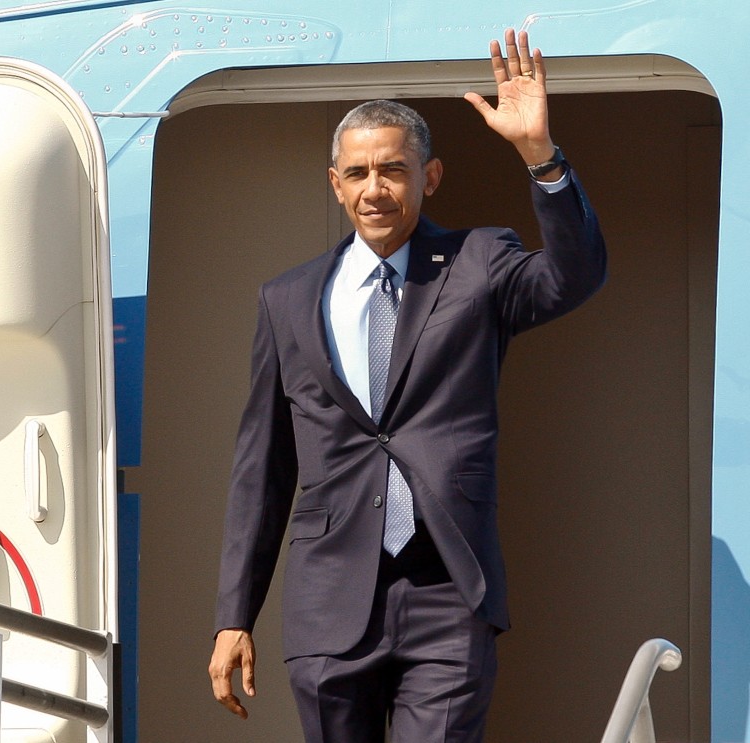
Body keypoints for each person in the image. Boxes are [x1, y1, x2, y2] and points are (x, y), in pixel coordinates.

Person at [208, 28, 607, 743]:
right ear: (335, 183)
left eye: (392, 169)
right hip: (328, 600)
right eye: (357, 173)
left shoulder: (480, 260)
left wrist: (539, 156)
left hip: (447, 591)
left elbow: (572, 277)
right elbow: (262, 471)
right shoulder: (288, 298)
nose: (375, 189)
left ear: (430, 176)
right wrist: (235, 613)